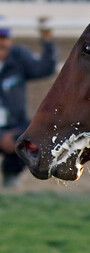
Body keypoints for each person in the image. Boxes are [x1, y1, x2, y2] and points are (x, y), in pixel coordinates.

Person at [0, 17, 55, 188]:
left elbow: (44, 68)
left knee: (29, 138)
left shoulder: (17, 57)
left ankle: (11, 177)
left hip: (14, 124)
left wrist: (47, 41)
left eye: (4, 39)